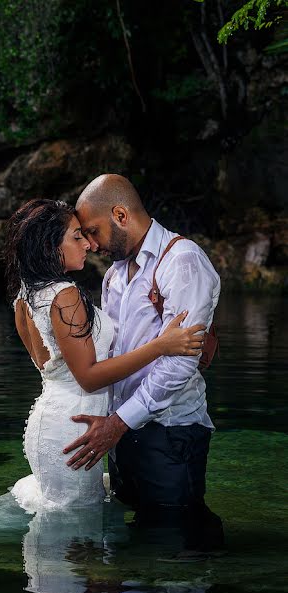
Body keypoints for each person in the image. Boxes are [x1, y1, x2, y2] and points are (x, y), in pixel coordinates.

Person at [1, 197, 206, 513]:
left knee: (68, 524)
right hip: (77, 428)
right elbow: (88, 375)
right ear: (49, 246)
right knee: (78, 526)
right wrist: (160, 345)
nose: (88, 245)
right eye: (77, 236)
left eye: (87, 233)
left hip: (53, 421)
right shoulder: (66, 295)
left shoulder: (23, 298)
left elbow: (58, 365)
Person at [63, 174, 225, 557]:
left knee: (177, 544)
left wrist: (117, 424)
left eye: (93, 231)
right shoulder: (116, 274)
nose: (89, 243)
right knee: (139, 543)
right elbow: (115, 353)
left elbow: (181, 363)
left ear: (120, 214)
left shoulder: (183, 261)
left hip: (170, 433)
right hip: (122, 431)